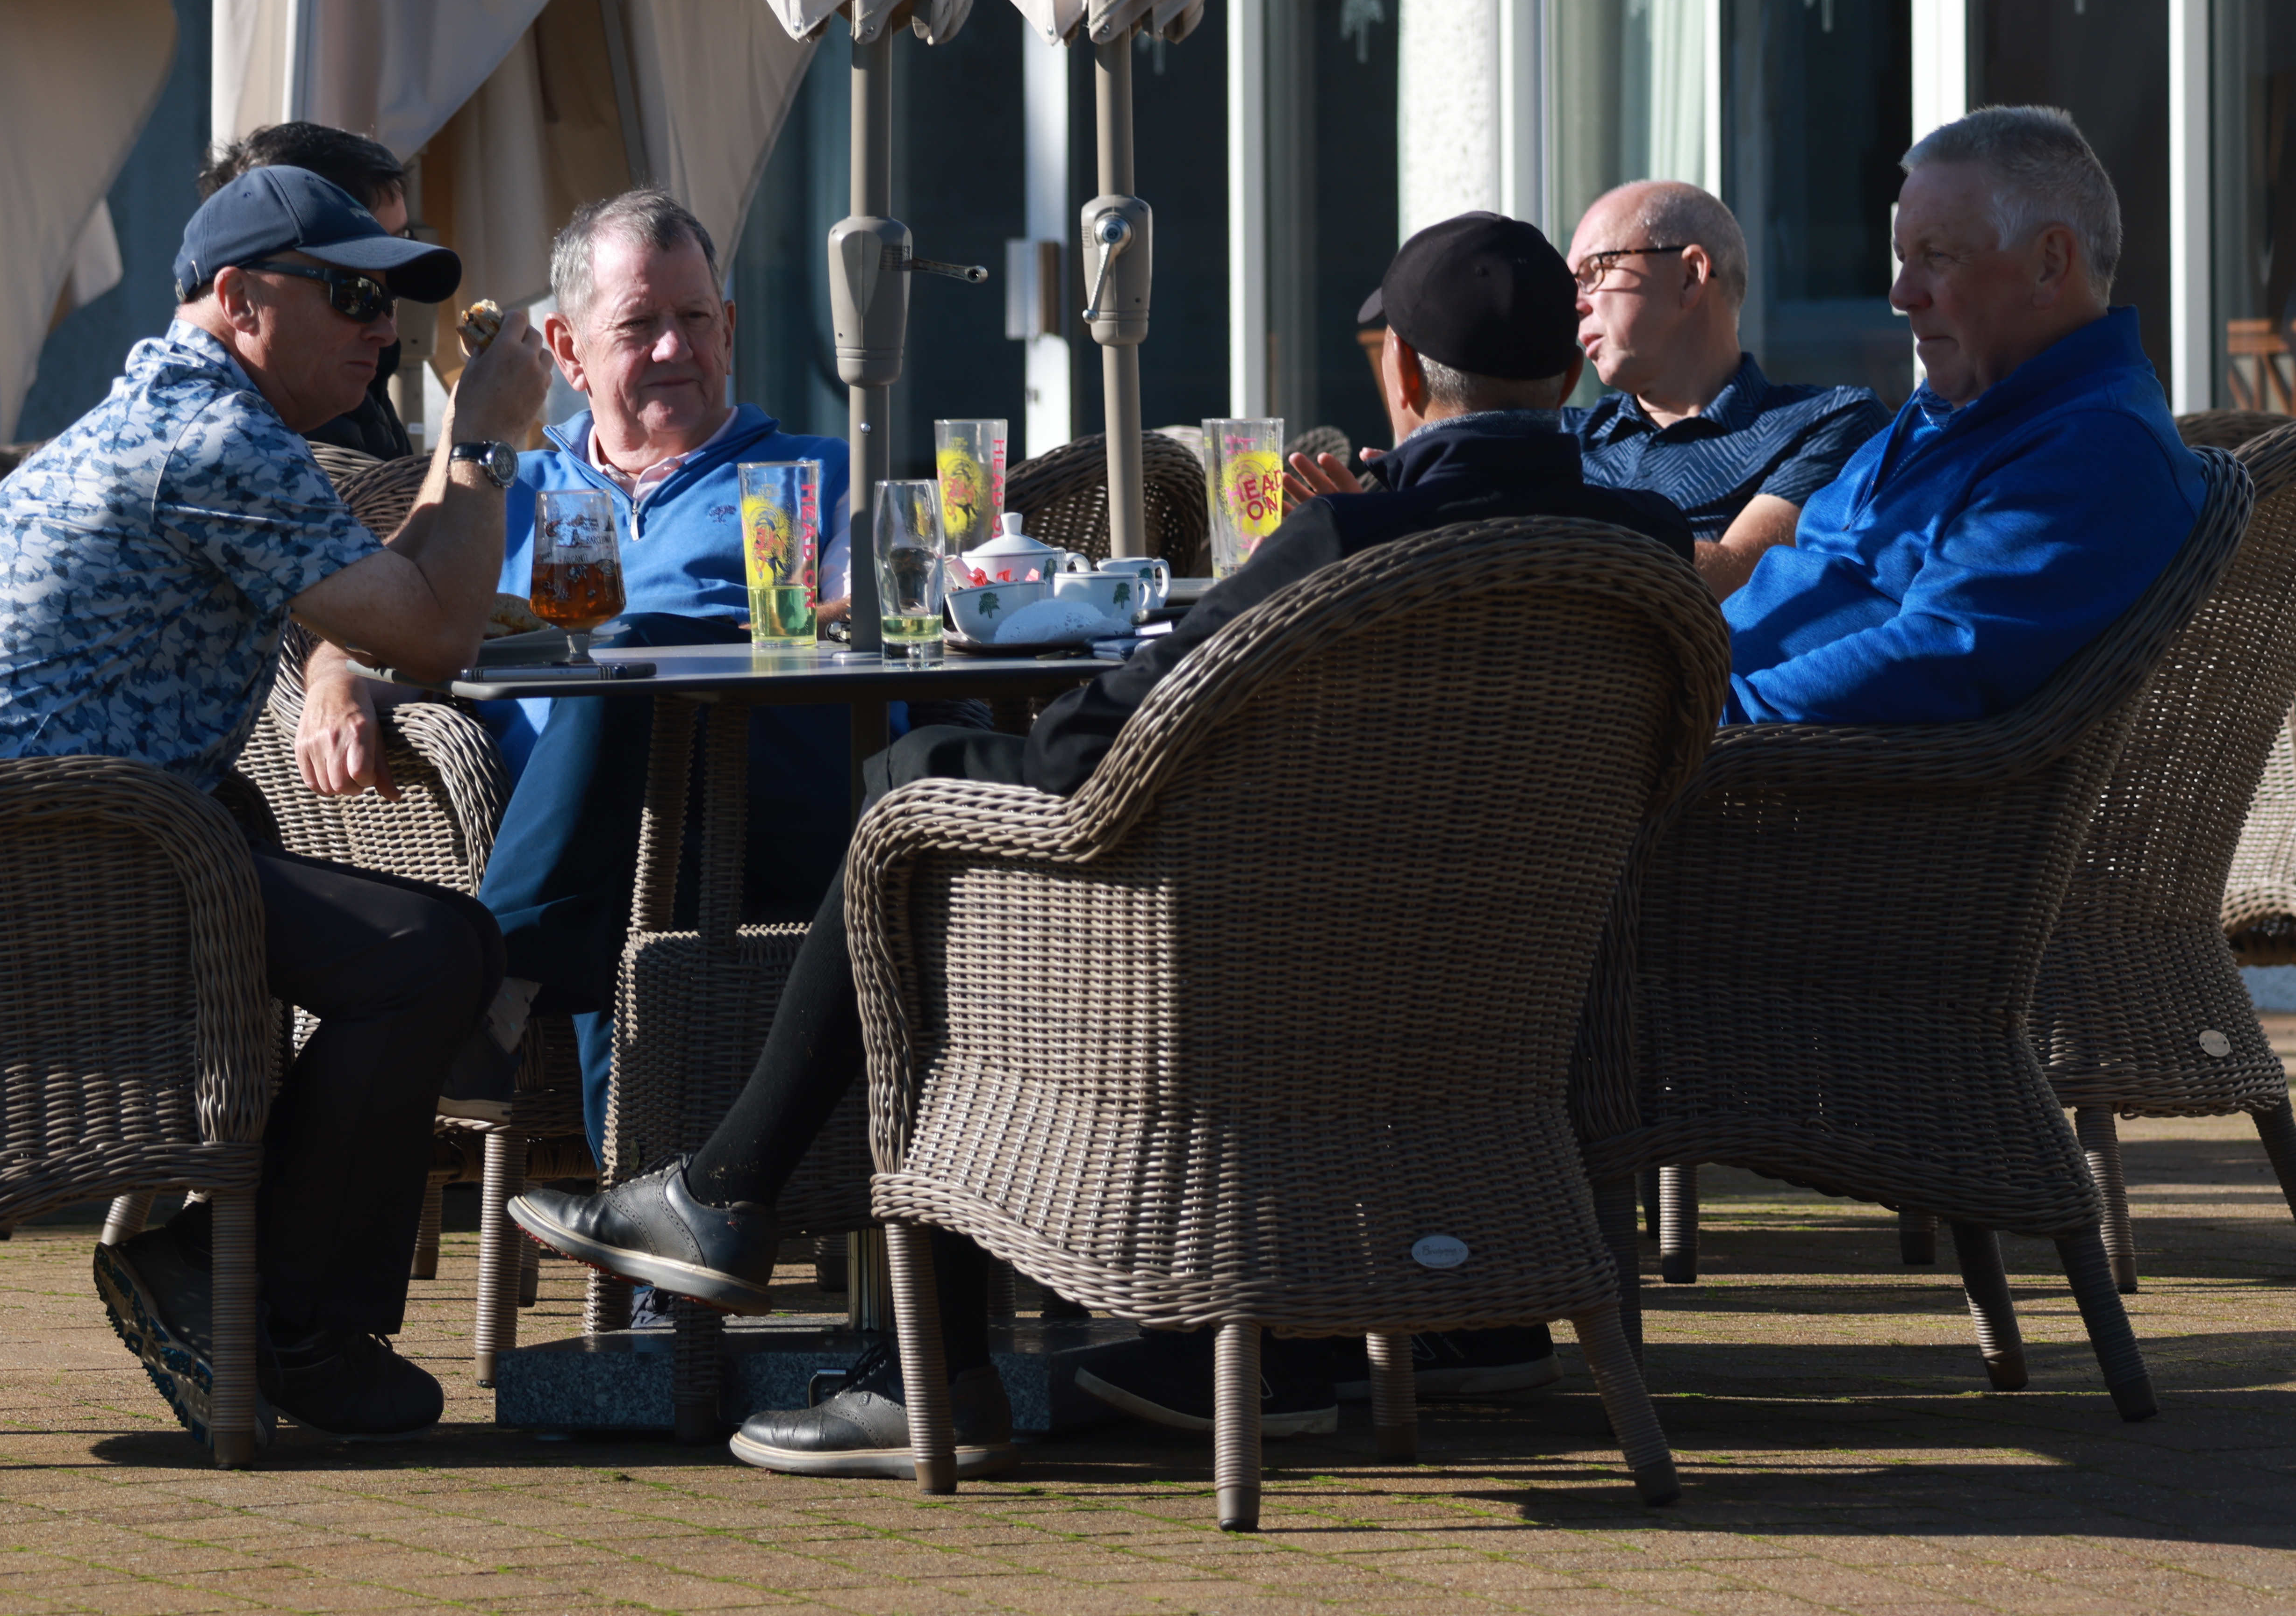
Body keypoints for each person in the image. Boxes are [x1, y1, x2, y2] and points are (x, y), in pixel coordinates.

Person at [502, 212, 1699, 1479]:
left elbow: (1099, 741)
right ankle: (1438, 1323)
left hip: (1229, 974)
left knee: (914, 815)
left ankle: (894, 1340)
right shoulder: (1643, 556)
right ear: (1569, 376)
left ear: (1398, 375)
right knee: (924, 795)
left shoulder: (1344, 547)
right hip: (1504, 990)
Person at [0, 163, 556, 1444]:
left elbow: (393, 594)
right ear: (242, 299)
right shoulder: (209, 438)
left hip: (31, 845)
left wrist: (458, 462)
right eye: (354, 295)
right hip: (25, 873)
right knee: (435, 955)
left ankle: (270, 1302)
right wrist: (481, 444)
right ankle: (264, 1311)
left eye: (393, 305)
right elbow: (436, 637)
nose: (382, 327)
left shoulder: (194, 416)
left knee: (407, 937)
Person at [293, 190, 852, 1143]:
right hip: (599, 834)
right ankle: (644, 1265)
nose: (676, 349)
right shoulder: (503, 489)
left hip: (767, 795)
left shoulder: (804, 474)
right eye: (639, 325)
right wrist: (333, 679)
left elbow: (862, 620)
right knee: (631, 873)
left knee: (628, 669)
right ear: (565, 348)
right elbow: (373, 607)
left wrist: (688, 643)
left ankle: (490, 988)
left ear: (730, 328)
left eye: (695, 319)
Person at [1724, 106, 2206, 727]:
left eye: (1938, 256)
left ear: (2050, 265)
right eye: (1902, 257)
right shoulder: (1962, 403)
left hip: (1758, 790)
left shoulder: (2098, 446)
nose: (1901, 295)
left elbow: (1940, 655)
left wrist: (1692, 722)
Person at [1288, 180, 1880, 602]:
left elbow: (1737, 574)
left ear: (1690, 275)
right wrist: (1372, 530)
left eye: (1594, 272)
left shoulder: (1826, 421)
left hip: (1705, 738)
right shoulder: (1563, 433)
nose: (1573, 303)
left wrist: (1439, 526)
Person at [197, 122, 421, 459]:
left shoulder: (356, 369)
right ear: (243, 299)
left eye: (403, 242)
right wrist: (473, 438)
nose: (386, 332)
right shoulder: (239, 435)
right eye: (353, 286)